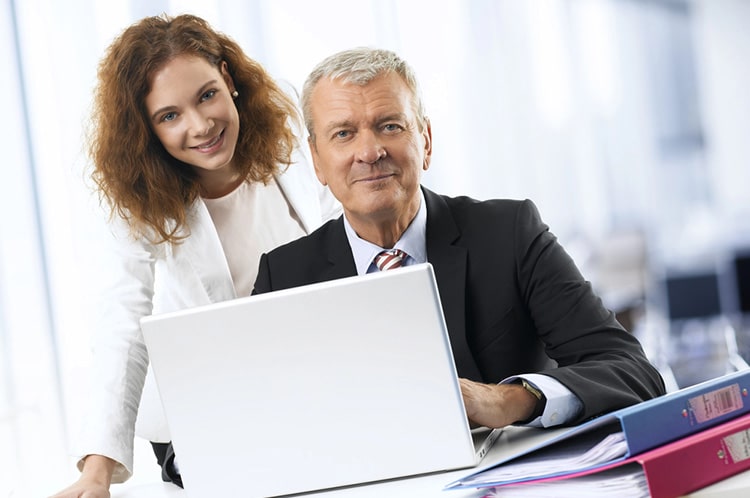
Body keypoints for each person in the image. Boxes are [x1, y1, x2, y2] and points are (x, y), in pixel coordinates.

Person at [253, 47, 666, 431]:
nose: (370, 150)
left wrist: (512, 399)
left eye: (390, 125)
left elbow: (632, 371)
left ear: (426, 142)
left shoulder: (510, 233)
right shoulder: (284, 275)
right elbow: (257, 418)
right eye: (343, 134)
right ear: (317, 162)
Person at [50, 14, 339, 498]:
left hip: (312, 370)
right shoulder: (140, 196)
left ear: (227, 78)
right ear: (147, 129)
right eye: (169, 115)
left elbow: (344, 221)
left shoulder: (285, 111)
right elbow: (123, 320)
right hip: (209, 401)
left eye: (207, 94)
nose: (201, 126)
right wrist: (97, 469)